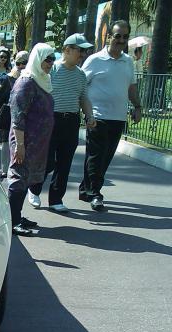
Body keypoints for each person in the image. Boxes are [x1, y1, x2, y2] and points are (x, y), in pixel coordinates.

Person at [27, 34, 97, 212]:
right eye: (79, 50)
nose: (82, 54)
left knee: (65, 162)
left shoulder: (81, 74)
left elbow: (84, 98)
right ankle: (34, 189)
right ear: (67, 49)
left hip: (71, 121)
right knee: (48, 161)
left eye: (84, 51)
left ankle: (56, 199)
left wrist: (89, 116)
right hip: (51, 120)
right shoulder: (53, 70)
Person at [79, 20, 142, 211]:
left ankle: (85, 188)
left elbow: (131, 88)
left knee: (104, 157)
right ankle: (95, 193)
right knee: (96, 156)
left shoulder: (128, 62)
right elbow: (81, 85)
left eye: (125, 36)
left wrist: (138, 106)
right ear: (109, 37)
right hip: (97, 116)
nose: (121, 40)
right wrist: (84, 111)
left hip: (118, 117)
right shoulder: (94, 60)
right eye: (117, 36)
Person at [7, 43, 55, 236]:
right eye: (47, 59)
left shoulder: (42, 80)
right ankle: (11, 221)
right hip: (24, 142)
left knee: (26, 179)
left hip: (38, 144)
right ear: (38, 59)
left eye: (53, 59)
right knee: (19, 178)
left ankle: (17, 216)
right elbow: (17, 116)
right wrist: (20, 145)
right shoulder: (26, 83)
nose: (51, 63)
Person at [0, 50, 28, 178]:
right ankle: (4, 169)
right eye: (19, 63)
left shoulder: (33, 78)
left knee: (22, 142)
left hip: (25, 115)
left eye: (24, 63)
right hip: (9, 113)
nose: (21, 66)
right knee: (5, 142)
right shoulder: (8, 77)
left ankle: (17, 167)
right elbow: (0, 97)